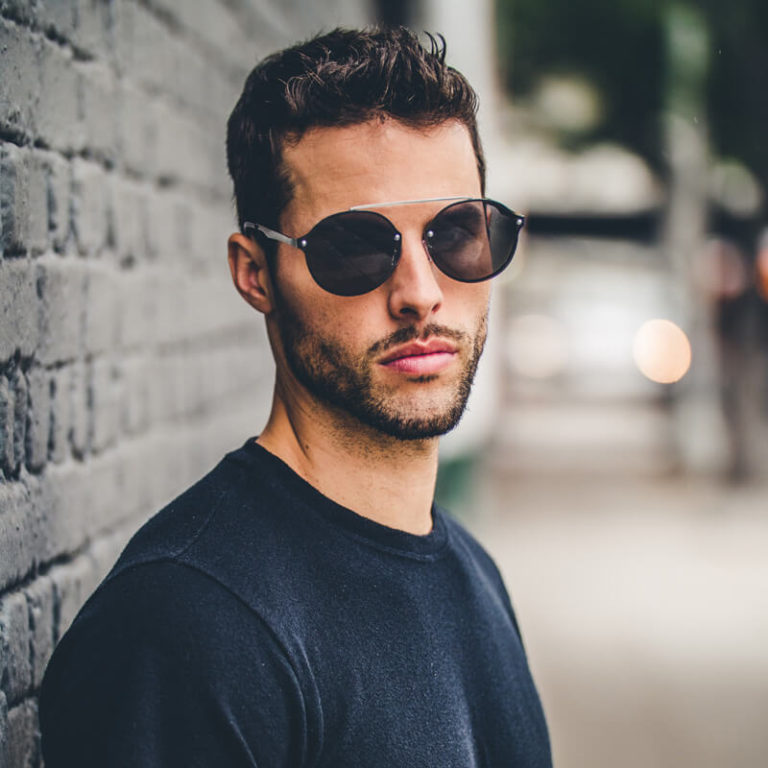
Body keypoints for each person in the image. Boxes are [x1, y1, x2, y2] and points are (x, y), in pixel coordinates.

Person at [40, 27, 552, 767]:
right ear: (255, 274)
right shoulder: (186, 627)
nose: (420, 293)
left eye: (455, 234)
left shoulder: (473, 573)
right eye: (356, 247)